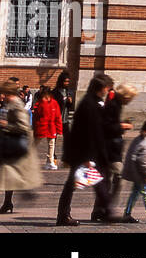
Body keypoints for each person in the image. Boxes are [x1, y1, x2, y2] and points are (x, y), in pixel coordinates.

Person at [56, 73, 115, 226]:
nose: (107, 91)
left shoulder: (92, 102)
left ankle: (105, 211)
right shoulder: (89, 104)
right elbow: (87, 133)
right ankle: (105, 212)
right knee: (76, 184)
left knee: (89, 183)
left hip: (85, 152)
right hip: (83, 153)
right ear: (101, 88)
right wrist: (88, 157)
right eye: (107, 88)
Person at [0, 79, 41, 216]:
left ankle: (23, 194)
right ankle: (9, 202)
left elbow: (23, 126)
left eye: (3, 93)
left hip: (15, 144)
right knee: (9, 173)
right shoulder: (9, 103)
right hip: (9, 143)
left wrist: (6, 125)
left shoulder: (16, 104)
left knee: (10, 172)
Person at [95, 82, 135, 222]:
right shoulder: (113, 105)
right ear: (126, 96)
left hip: (112, 149)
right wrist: (122, 126)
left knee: (106, 180)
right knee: (120, 176)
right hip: (110, 150)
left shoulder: (116, 104)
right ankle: (109, 208)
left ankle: (98, 210)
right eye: (131, 98)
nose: (131, 101)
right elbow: (107, 127)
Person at [121, 119, 146, 224]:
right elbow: (145, 161)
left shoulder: (139, 139)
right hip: (142, 174)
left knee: (134, 193)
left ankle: (127, 214)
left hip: (136, 173)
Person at [32, 86, 62, 170]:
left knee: (51, 144)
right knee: (35, 144)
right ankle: (27, 158)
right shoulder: (39, 103)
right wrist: (35, 127)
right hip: (41, 126)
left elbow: (57, 116)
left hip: (51, 126)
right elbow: (36, 117)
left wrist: (59, 129)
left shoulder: (54, 103)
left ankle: (50, 161)